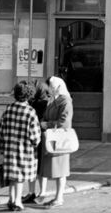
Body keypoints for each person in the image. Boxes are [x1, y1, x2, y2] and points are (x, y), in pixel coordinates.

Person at [0, 81, 41, 212]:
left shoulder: (8, 109)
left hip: (9, 149)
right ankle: (17, 202)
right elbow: (35, 136)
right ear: (29, 95)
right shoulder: (30, 112)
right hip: (24, 150)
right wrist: (35, 143)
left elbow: (1, 130)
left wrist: (1, 146)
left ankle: (11, 199)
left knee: (12, 176)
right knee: (20, 176)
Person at [39, 76, 73, 208]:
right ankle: (47, 195)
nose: (49, 91)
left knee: (61, 169)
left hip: (60, 139)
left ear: (58, 87)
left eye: (51, 88)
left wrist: (46, 124)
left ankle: (59, 197)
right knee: (49, 167)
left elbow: (64, 123)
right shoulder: (53, 99)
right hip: (50, 138)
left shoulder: (65, 100)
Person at [22, 81, 51, 205]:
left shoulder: (41, 104)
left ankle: (39, 192)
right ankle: (35, 192)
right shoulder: (43, 103)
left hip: (38, 137)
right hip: (37, 136)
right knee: (37, 166)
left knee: (37, 166)